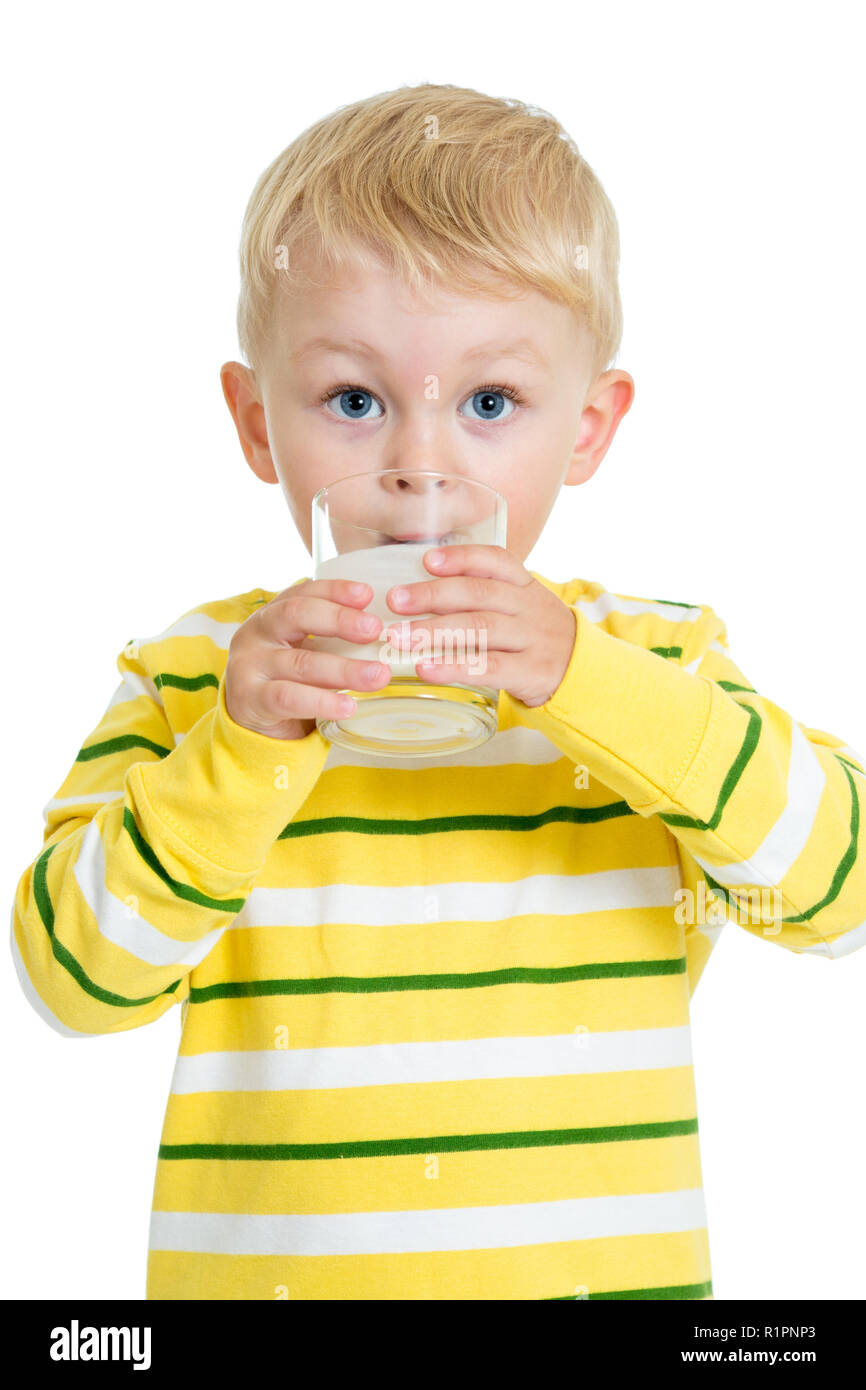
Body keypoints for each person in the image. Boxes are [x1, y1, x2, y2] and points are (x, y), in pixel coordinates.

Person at [10, 82, 866, 1301]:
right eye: (352, 401)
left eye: (488, 403)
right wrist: (241, 745)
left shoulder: (647, 664)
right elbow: (70, 982)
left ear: (586, 428)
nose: (418, 471)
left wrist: (584, 677)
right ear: (258, 424)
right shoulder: (203, 678)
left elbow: (838, 893)